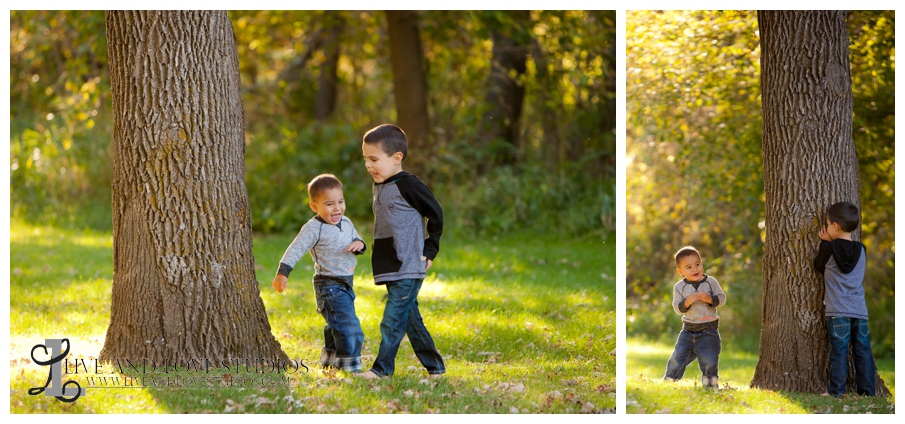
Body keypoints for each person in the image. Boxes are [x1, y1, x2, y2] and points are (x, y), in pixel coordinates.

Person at [355, 123, 445, 379]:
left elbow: (436, 214)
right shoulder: (381, 184)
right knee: (410, 320)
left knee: (392, 319)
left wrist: (430, 249)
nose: (368, 165)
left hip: (409, 263)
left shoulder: (409, 185)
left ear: (396, 158)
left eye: (374, 159)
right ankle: (435, 368)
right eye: (365, 159)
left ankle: (381, 370)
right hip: (390, 263)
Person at [272, 174, 367, 373]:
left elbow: (356, 238)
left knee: (336, 323)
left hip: (346, 283)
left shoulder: (346, 222)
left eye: (341, 202)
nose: (337, 208)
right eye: (330, 204)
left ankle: (329, 359)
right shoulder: (314, 228)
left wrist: (359, 244)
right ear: (315, 207)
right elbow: (295, 248)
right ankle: (350, 366)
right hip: (328, 285)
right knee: (349, 325)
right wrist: (283, 272)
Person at [814, 201, 875, 397]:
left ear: (834, 226)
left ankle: (836, 392)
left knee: (839, 352)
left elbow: (818, 266)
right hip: (859, 310)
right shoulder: (862, 250)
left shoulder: (829, 248)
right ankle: (867, 392)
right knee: (863, 352)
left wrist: (825, 244)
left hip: (838, 310)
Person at [663, 246, 726, 389]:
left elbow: (722, 299)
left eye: (697, 264)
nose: (695, 269)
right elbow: (677, 308)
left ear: (702, 263)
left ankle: (710, 385)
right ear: (680, 271)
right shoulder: (680, 287)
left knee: (709, 359)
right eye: (689, 267)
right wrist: (687, 302)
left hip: (709, 331)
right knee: (678, 357)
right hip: (688, 331)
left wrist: (709, 298)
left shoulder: (711, 282)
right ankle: (669, 381)